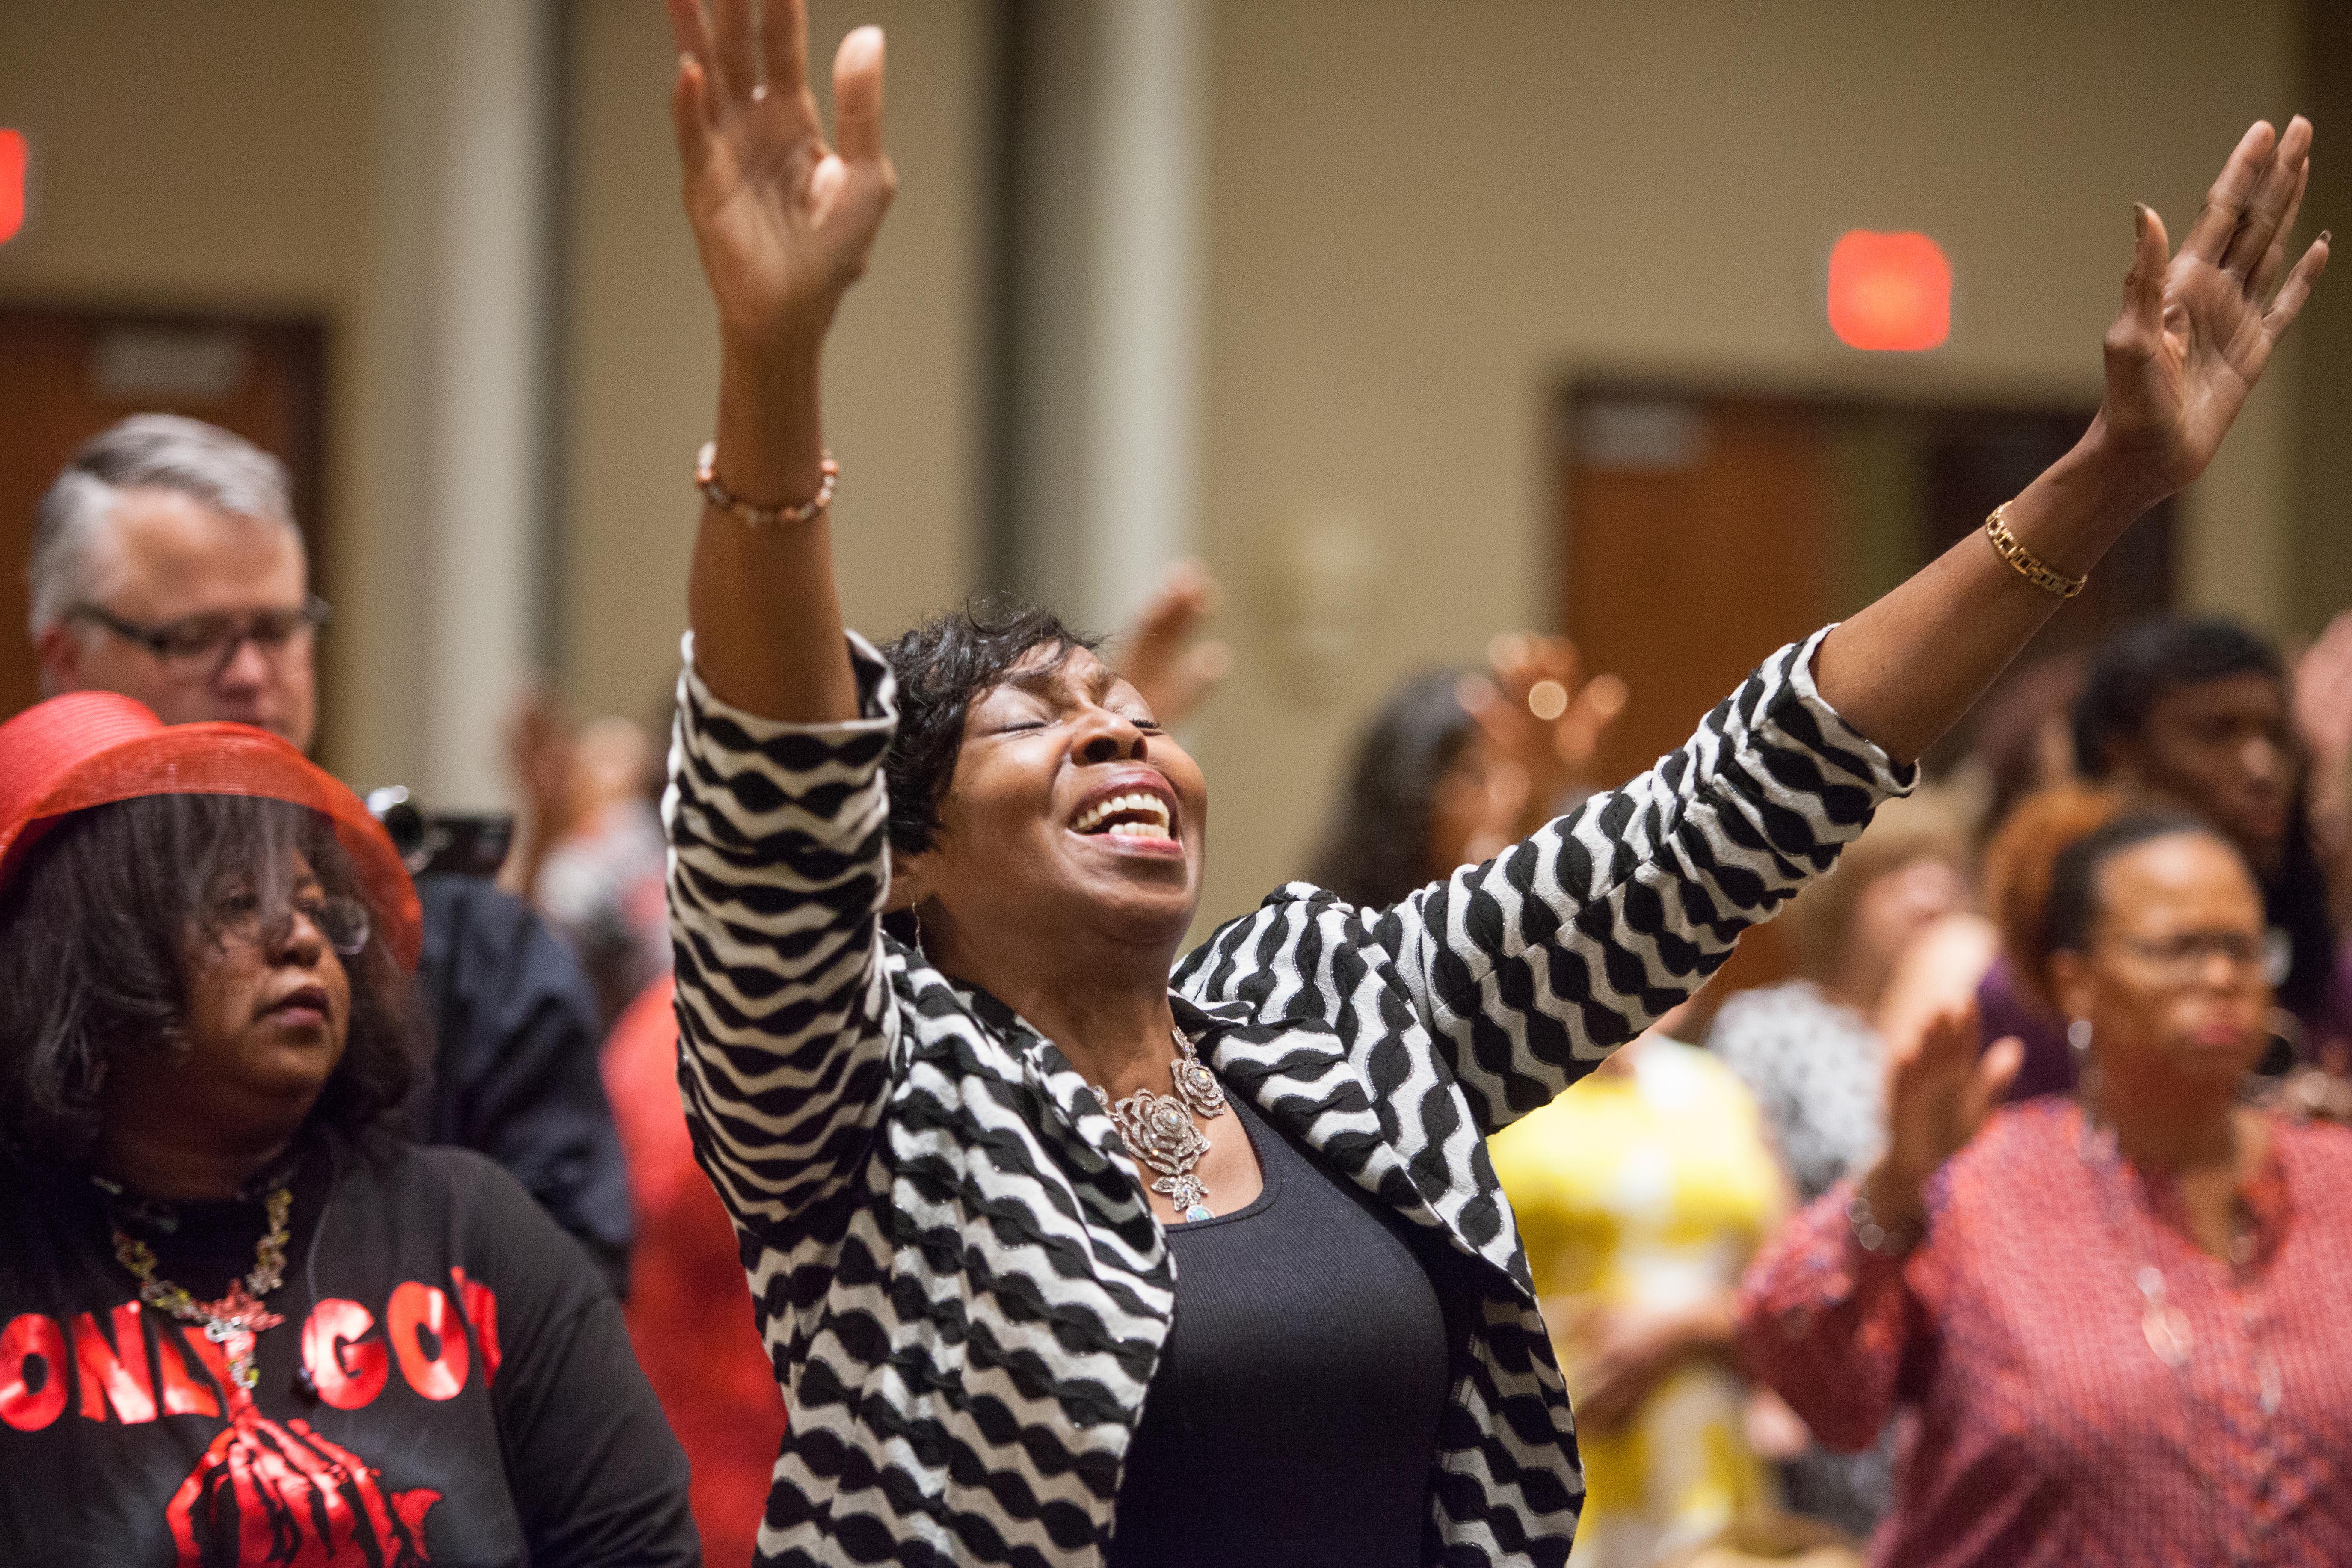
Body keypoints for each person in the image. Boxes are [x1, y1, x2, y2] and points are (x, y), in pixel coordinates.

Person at [658, 0, 2325, 1559]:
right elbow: (767, 811)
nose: (1117, 729)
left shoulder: (1328, 1018)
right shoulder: (865, 1096)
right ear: (907, 862)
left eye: (1127, 705)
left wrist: (2107, 482)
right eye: (1033, 718)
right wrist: (767, 361)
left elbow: (1729, 812)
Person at [0, 692, 697, 1565]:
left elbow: (636, 1548)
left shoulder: (472, 1228)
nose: (302, 939)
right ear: (89, 956)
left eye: (320, 909)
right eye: (233, 904)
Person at [28, 414, 633, 1295]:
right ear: (65, 656)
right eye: (193, 635)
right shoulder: (24, 937)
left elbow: (570, 1306)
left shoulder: (476, 955)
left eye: (277, 628)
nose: (249, 674)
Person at [1738, 812, 2352, 1565]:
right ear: (2076, 981)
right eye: (2178, 949)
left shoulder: (2334, 1180)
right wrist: (1895, 1183)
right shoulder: (1983, 1188)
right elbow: (1815, 1383)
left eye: (2241, 948)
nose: (2221, 977)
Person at [1705, 789, 1972, 1538]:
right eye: (1898, 872)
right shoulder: (1776, 1026)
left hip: (1951, 1361)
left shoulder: (1967, 1035)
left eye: (1943, 871)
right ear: (1842, 896)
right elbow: (1747, 1195)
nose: (1931, 892)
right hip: (1827, 1343)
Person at [1488, 1008, 1788, 1567]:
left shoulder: (1718, 1090)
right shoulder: (1497, 1082)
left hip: (1701, 1446)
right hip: (1536, 1436)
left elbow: (1789, 1288)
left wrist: (1689, 1326)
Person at [1310, 635, 1626, 909]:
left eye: (1511, 773)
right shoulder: (1338, 940)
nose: (1508, 796)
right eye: (1476, 776)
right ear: (1409, 800)